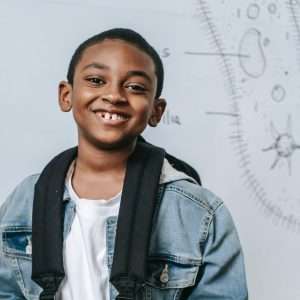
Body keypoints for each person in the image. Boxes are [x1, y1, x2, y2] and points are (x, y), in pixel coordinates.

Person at [0, 28, 248, 299]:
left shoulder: (200, 214)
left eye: (135, 87)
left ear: (156, 110)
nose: (114, 95)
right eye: (96, 80)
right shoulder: (25, 200)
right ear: (66, 95)